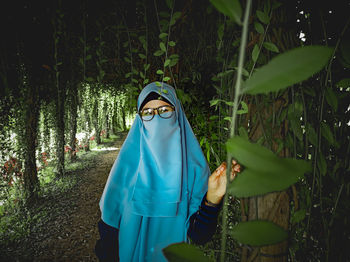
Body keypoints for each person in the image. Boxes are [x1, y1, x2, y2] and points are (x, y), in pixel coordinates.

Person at [95, 82, 240, 262]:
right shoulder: (126, 168)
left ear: (177, 113)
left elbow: (199, 236)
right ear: (140, 121)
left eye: (164, 110)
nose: (156, 119)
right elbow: (109, 230)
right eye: (148, 113)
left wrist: (212, 199)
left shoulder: (195, 169)